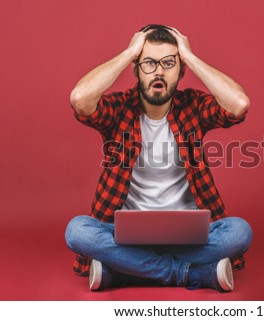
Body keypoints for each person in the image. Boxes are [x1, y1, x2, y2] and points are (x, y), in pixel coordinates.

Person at [64, 24, 252, 292]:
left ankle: (121, 271)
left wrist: (190, 56)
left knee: (239, 232)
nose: (159, 71)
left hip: (188, 237)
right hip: (125, 238)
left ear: (181, 69)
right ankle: (190, 274)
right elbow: (80, 99)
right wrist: (130, 52)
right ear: (136, 68)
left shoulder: (193, 106)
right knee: (77, 231)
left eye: (169, 63)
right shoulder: (119, 109)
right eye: (149, 63)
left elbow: (238, 105)